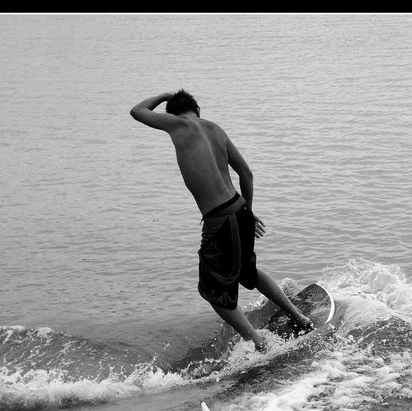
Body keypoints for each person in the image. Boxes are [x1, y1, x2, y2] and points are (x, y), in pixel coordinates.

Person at [130, 89, 312, 352]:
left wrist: (165, 95)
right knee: (248, 272)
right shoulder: (215, 129)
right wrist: (248, 211)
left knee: (211, 291)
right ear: (197, 109)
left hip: (219, 218)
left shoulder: (177, 123)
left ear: (173, 112)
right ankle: (299, 317)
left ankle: (258, 342)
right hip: (239, 208)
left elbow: (138, 111)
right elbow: (246, 174)